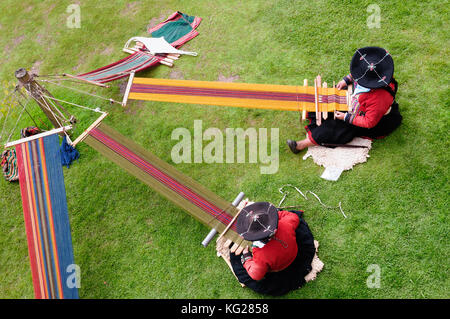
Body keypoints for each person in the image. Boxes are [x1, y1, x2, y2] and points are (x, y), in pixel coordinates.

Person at [287, 46, 402, 154]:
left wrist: (346, 117)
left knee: (338, 127)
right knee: (331, 96)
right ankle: (313, 112)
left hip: (368, 117)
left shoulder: (379, 99)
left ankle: (300, 145)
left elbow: (369, 122)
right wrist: (346, 80)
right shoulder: (372, 73)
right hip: (358, 100)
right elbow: (358, 73)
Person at [229, 202, 316, 296]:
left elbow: (256, 274)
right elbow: (293, 216)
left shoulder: (261, 255)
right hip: (294, 251)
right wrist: (275, 217)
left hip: (281, 268)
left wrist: (247, 259)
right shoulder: (286, 224)